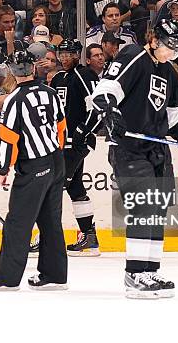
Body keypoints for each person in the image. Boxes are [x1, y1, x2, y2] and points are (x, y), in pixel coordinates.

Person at [80, 19, 178, 298]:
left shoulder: (170, 73)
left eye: (176, 49)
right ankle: (135, 273)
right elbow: (106, 89)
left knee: (158, 209)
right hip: (130, 147)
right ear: (153, 39)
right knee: (144, 207)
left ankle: (150, 269)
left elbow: (173, 117)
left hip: (157, 150)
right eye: (167, 46)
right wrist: (111, 113)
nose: (171, 52)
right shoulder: (134, 56)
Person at [0, 42, 69, 291]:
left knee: (17, 223)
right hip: (55, 161)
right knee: (51, 220)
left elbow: (8, 138)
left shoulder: (14, 100)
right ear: (33, 67)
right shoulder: (50, 93)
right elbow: (61, 129)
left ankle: (7, 277)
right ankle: (54, 274)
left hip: (34, 166)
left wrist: (3, 169)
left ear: (11, 70)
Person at [49, 39, 101, 256]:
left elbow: (98, 106)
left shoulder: (86, 75)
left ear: (78, 55)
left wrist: (84, 131)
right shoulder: (58, 78)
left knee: (55, 185)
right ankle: (89, 236)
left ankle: (46, 237)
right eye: (62, 53)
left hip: (77, 142)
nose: (64, 58)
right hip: (61, 142)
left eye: (69, 54)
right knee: (75, 187)